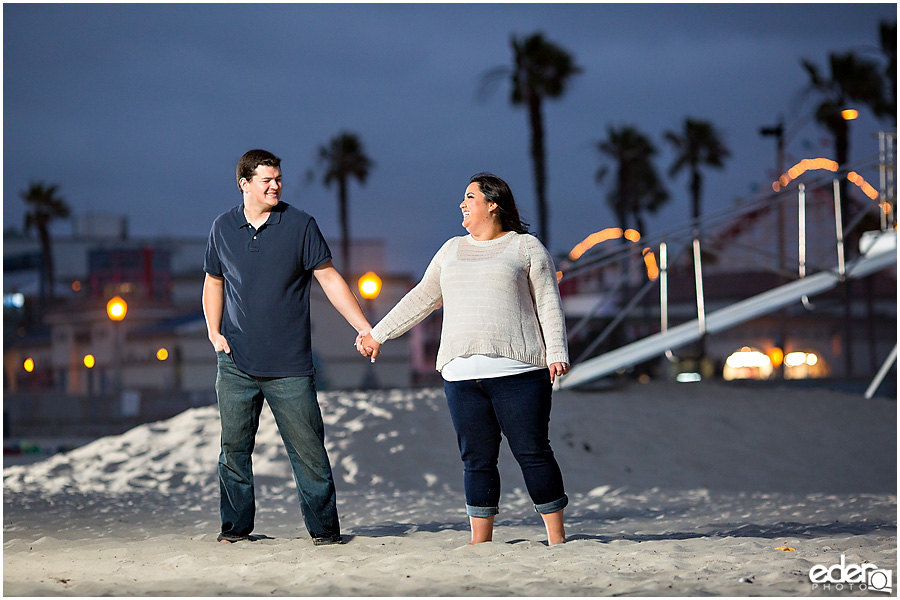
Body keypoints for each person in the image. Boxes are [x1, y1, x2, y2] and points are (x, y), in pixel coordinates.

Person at [356, 173, 570, 545]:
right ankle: (480, 542)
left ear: (493, 204)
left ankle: (556, 539)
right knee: (476, 460)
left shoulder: (525, 248)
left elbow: (548, 302)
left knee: (532, 453)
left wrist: (557, 352)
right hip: (459, 376)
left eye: (470, 197)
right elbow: (422, 297)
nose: (462, 203)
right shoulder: (451, 249)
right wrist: (378, 334)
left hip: (518, 373)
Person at [203, 149, 373, 546]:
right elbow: (214, 281)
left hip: (291, 366)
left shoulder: (300, 225)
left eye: (278, 179)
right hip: (235, 363)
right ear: (244, 184)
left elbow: (330, 280)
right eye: (266, 180)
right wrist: (214, 333)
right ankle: (235, 530)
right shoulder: (222, 227)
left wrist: (364, 327)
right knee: (233, 450)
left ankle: (325, 533)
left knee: (309, 452)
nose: (275, 185)